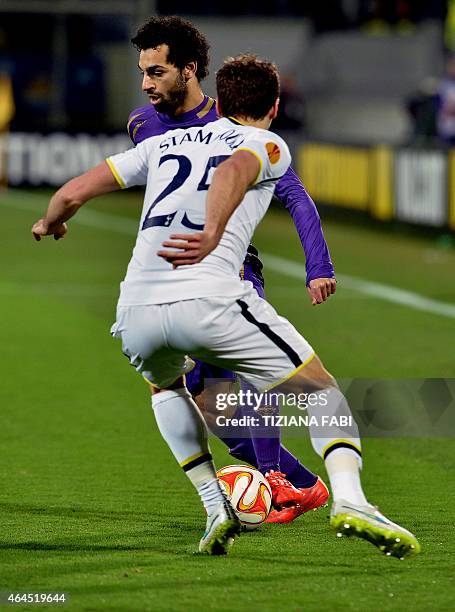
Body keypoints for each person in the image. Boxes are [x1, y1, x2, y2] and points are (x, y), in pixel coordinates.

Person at [32, 54, 420, 560]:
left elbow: (74, 190)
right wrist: (213, 229)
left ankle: (216, 507)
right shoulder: (265, 143)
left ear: (220, 98)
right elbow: (237, 169)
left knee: (165, 387)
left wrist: (52, 221)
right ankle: (351, 500)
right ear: (275, 106)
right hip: (210, 298)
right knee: (320, 391)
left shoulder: (162, 142)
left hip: (135, 312)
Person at [126, 15, 335, 524]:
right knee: (210, 410)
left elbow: (295, 194)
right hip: (170, 281)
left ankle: (274, 481)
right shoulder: (142, 124)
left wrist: (318, 266)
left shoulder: (237, 123)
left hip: (231, 268)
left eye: (156, 72)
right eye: (143, 73)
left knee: (251, 369)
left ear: (188, 70)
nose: (147, 84)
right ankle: (303, 486)